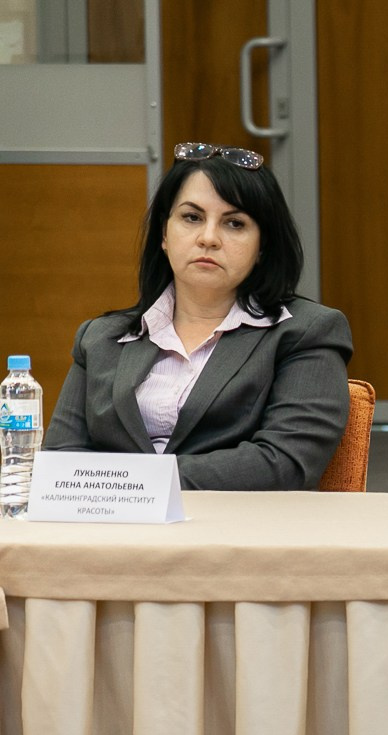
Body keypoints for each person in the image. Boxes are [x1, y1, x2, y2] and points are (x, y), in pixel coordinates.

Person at [45, 141, 353, 490]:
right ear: (164, 233)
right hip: (112, 537)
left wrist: (136, 486)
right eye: (191, 218)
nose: (208, 238)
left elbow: (284, 462)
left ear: (262, 246)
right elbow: (61, 459)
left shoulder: (305, 331)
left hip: (235, 534)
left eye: (234, 223)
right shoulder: (101, 337)